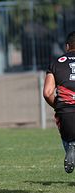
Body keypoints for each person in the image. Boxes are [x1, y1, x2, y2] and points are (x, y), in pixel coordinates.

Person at [43, 31, 75, 174]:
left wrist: (59, 106)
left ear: (67, 46)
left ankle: (71, 146)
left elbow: (47, 93)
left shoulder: (56, 63)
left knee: (68, 136)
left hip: (65, 112)